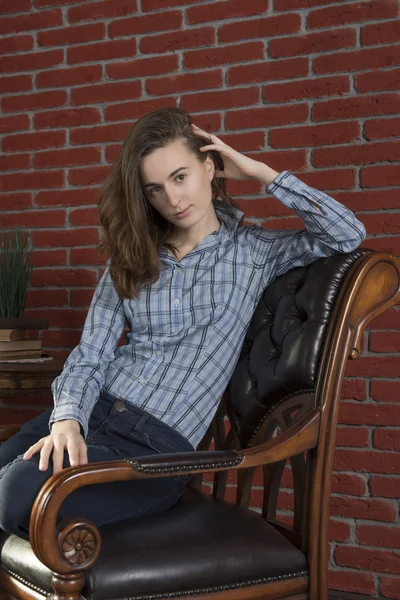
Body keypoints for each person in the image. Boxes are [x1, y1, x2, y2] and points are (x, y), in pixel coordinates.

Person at [0, 107, 366, 540]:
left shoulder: (254, 251)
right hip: (89, 414)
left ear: (209, 167)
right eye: (155, 188)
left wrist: (262, 173)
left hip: (154, 450)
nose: (172, 200)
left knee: (16, 491)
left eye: (180, 176)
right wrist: (66, 420)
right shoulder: (132, 258)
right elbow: (91, 353)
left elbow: (346, 233)